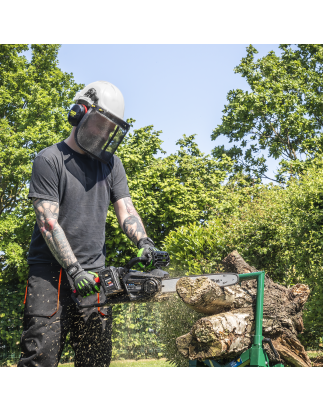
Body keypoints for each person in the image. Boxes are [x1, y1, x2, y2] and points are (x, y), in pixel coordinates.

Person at [18, 80, 166, 367]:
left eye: (111, 128)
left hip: (95, 276)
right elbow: (49, 223)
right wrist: (74, 270)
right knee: (40, 360)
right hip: (52, 277)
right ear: (79, 113)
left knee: (95, 361)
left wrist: (144, 242)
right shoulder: (50, 160)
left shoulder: (111, 164)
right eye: (101, 124)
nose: (105, 133)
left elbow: (126, 209)